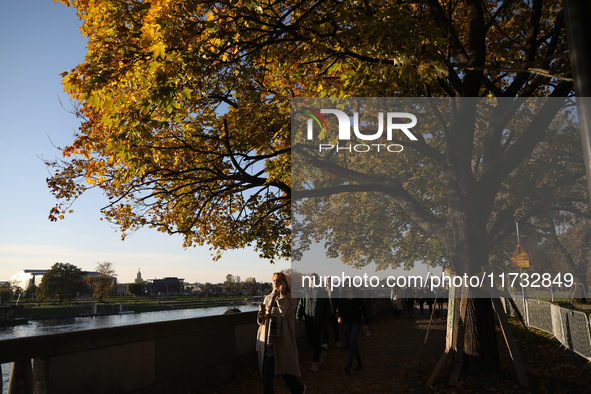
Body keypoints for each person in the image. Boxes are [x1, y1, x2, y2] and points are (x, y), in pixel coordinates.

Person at [256, 272, 306, 394]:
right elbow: (263, 322)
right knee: (267, 374)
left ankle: (299, 389)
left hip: (282, 339)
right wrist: (260, 317)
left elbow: (286, 314)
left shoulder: (290, 296)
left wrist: (282, 296)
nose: (275, 283)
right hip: (268, 339)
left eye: (278, 280)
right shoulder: (268, 297)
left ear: (284, 282)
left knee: (285, 370)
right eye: (273, 280)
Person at [296, 273, 331, 372]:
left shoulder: (322, 292)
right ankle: (320, 352)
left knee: (316, 340)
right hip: (308, 319)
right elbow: (300, 305)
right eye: (312, 279)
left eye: (316, 279)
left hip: (319, 320)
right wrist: (298, 317)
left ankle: (314, 363)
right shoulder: (306, 291)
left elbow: (327, 308)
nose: (314, 280)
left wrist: (328, 323)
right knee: (310, 341)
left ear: (318, 280)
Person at [336, 286, 370, 375]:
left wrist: (366, 322)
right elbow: (340, 309)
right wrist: (340, 316)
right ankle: (360, 363)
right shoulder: (343, 296)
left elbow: (364, 309)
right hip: (347, 322)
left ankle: (349, 365)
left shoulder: (358, 295)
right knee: (353, 343)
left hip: (357, 322)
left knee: (352, 342)